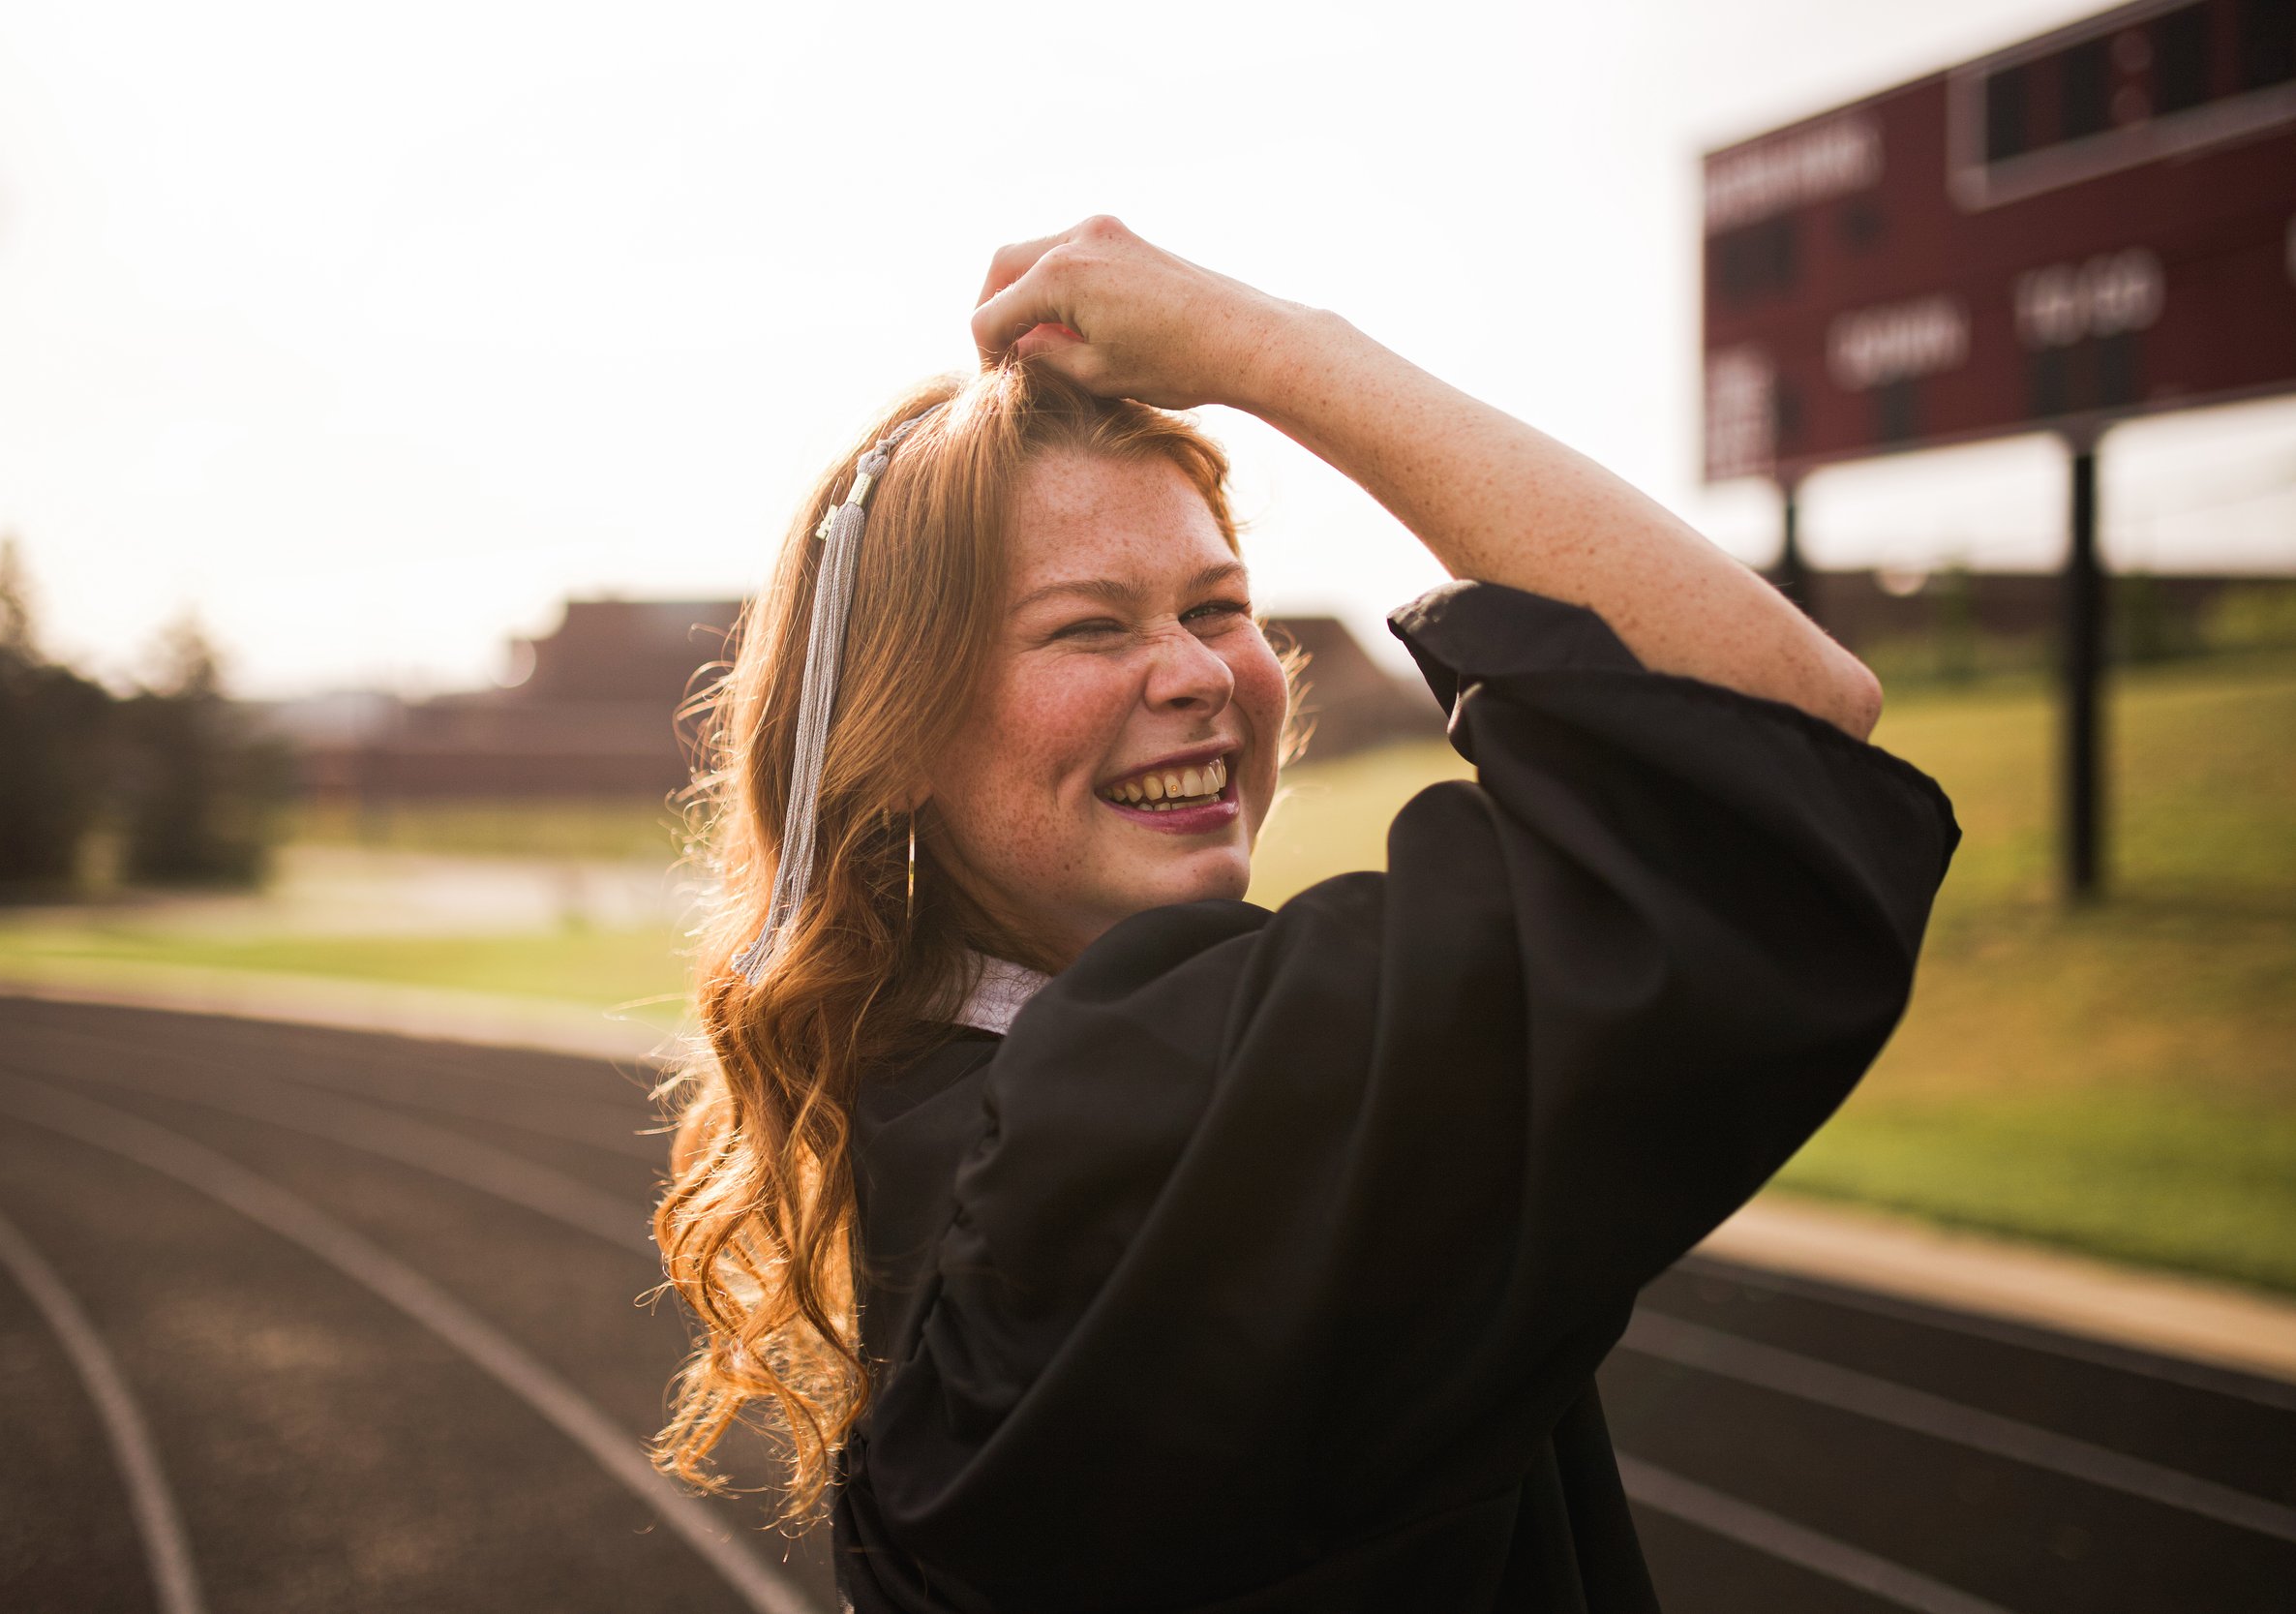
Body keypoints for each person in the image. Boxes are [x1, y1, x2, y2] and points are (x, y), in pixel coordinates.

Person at [648, 217, 1958, 1612]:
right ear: (893, 737)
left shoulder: (938, 1109)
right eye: (1089, 627)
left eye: (1218, 608)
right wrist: (1270, 347)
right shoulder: (1155, 1123)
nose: (1198, 674)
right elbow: (1774, 730)